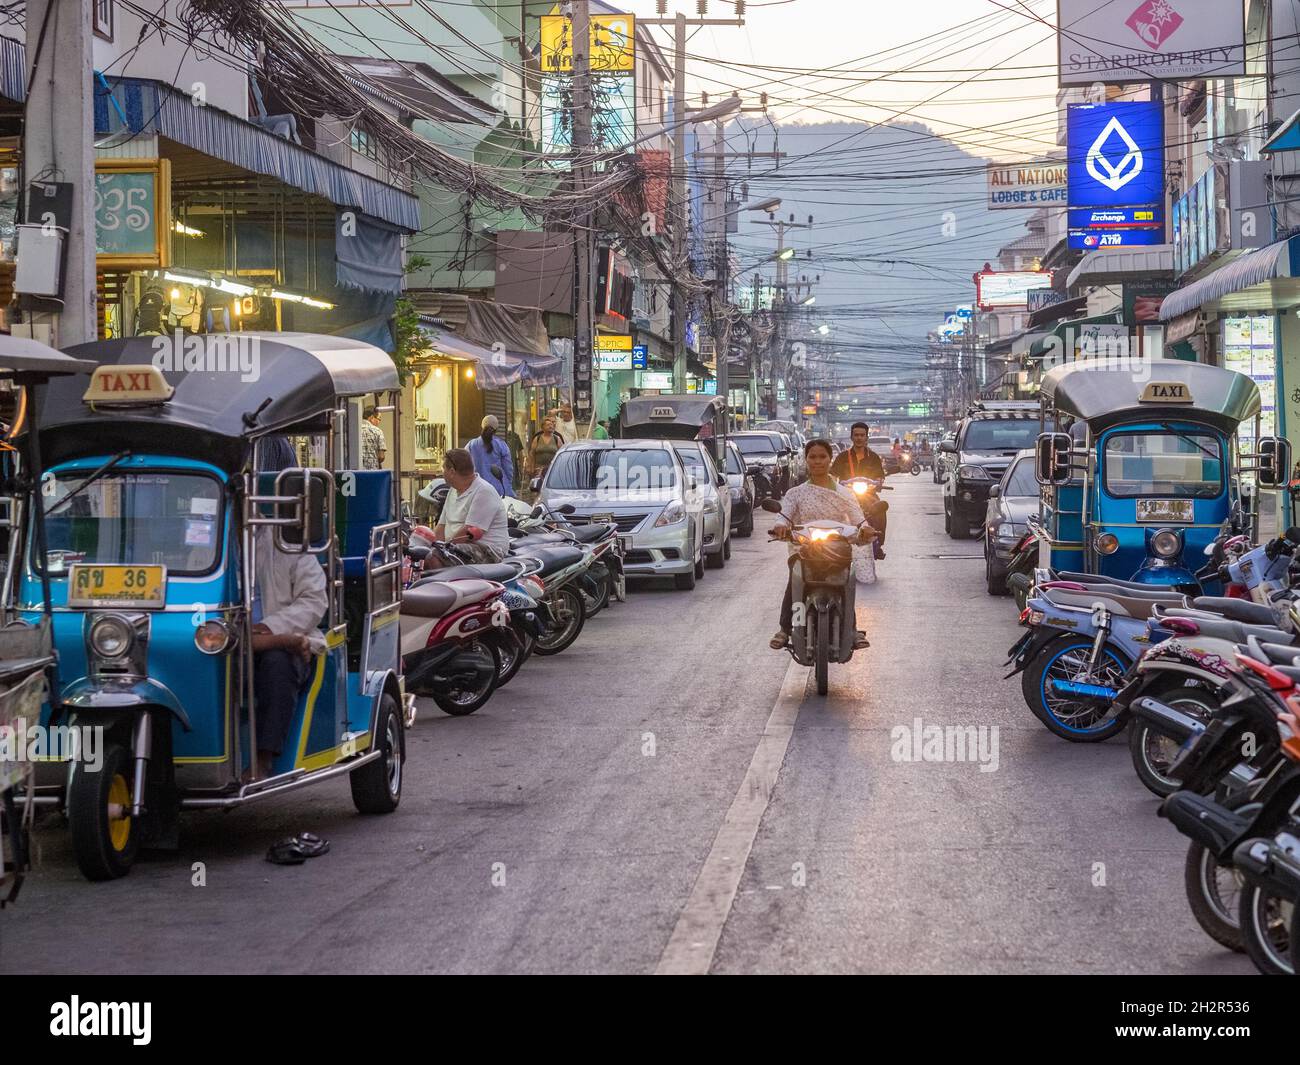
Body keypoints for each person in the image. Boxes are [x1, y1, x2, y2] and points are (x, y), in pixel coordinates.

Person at [769, 439, 877, 650]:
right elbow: (783, 516)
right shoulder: (795, 493)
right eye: (813, 457)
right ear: (806, 460)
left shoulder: (844, 493)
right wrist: (780, 527)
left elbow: (858, 518)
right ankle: (785, 628)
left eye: (822, 457)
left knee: (847, 583)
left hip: (838, 550)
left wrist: (865, 528)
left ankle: (852, 629)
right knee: (796, 579)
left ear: (830, 460)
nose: (817, 461)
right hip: (804, 549)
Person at [249, 517, 329, 780]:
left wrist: (270, 628)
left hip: (281, 640)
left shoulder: (286, 540)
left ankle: (263, 757)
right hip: (222, 641)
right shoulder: (203, 542)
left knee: (277, 663)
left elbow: (314, 601)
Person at [431, 447, 510, 564]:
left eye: (443, 468)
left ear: (452, 472)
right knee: (423, 554)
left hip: (486, 549)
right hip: (457, 545)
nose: (442, 472)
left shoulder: (483, 491)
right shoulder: (453, 490)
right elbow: (441, 526)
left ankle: (443, 582)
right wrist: (429, 543)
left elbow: (468, 533)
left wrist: (442, 548)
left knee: (434, 557)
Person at [829, 421, 889, 558]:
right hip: (845, 495)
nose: (859, 438)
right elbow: (833, 475)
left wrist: (879, 482)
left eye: (862, 435)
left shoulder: (873, 457)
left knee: (880, 512)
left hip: (868, 495)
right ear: (851, 437)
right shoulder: (842, 457)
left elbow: (880, 476)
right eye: (856, 435)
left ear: (867, 437)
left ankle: (878, 543)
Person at [467, 414, 515, 497]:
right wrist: (508, 484)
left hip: (477, 490)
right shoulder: (501, 445)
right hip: (499, 490)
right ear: (496, 429)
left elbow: (465, 465)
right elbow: (508, 468)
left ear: (482, 426)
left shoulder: (471, 445)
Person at [526, 416, 564, 487]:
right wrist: (531, 467)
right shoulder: (537, 438)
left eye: (551, 425)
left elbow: (562, 454)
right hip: (538, 469)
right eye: (548, 425)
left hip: (552, 470)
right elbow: (532, 453)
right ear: (542, 427)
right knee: (538, 488)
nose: (551, 426)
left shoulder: (557, 438)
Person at [361, 406, 387, 470]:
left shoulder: (354, 429)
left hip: (356, 471)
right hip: (372, 471)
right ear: (371, 417)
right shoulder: (378, 431)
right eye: (379, 419)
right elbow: (381, 456)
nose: (379, 422)